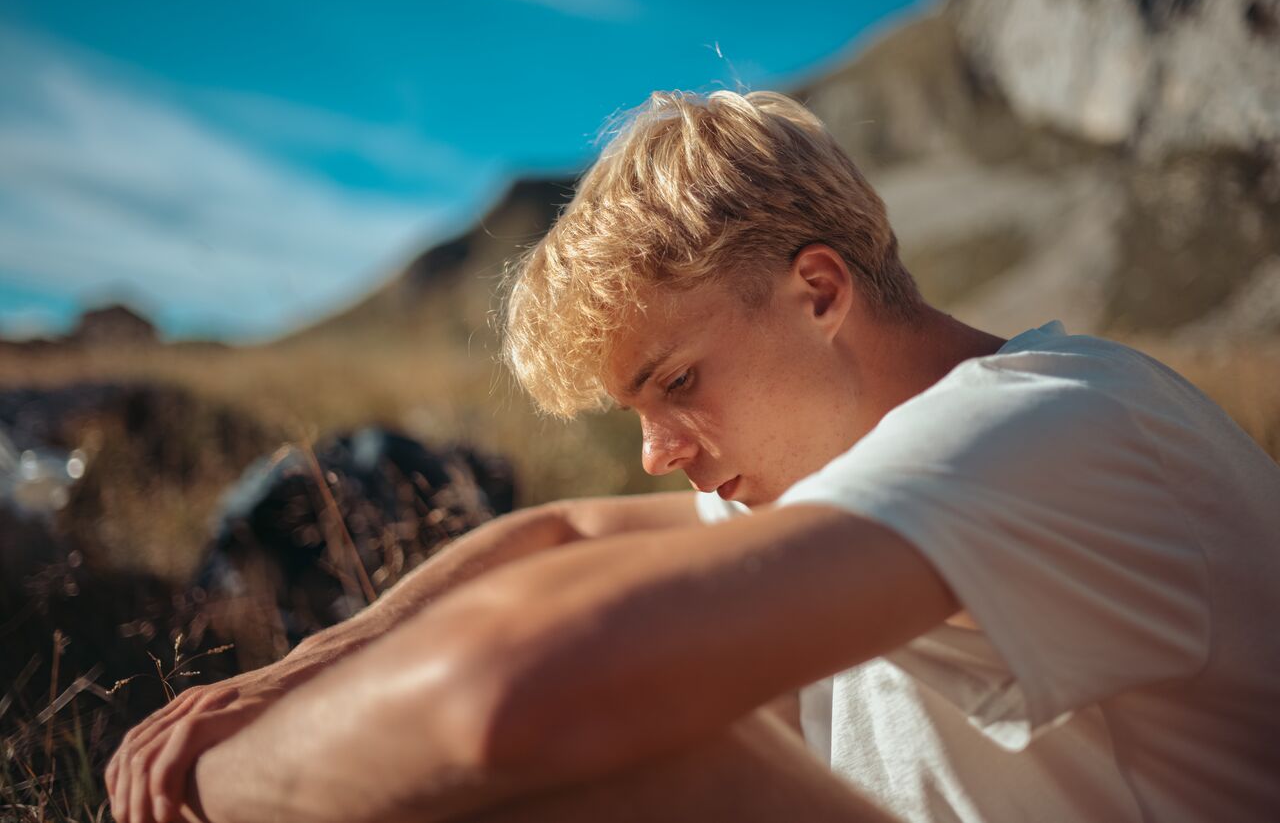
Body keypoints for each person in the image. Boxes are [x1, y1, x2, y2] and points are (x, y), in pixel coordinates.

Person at [105, 90, 1280, 823]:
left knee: (576, 751)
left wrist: (203, 791)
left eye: (675, 383)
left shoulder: (1053, 432)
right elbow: (558, 533)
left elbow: (499, 690)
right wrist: (286, 675)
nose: (658, 454)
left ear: (817, 291)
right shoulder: (842, 459)